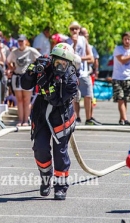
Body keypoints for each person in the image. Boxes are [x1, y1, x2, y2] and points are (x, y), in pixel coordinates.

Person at [21, 42, 80, 200]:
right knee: (40, 148)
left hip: (61, 115)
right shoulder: (44, 67)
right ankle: (46, 179)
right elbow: (25, 84)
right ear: (52, 59)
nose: (60, 66)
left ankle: (61, 186)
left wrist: (45, 87)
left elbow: (58, 100)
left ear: (69, 64)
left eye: (64, 63)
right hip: (41, 113)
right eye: (57, 61)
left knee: (60, 152)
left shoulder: (71, 80)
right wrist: (31, 71)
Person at [66, 21, 100, 125]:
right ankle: (76, 117)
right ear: (70, 30)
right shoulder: (67, 42)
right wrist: (74, 45)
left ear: (79, 30)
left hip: (84, 73)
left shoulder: (83, 40)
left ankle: (89, 118)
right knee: (74, 96)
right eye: (72, 29)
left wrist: (78, 58)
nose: (74, 31)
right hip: (71, 73)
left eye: (76, 28)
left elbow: (91, 57)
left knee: (88, 95)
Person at [6, 34, 41, 126]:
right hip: (17, 76)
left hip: (27, 77)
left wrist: (34, 69)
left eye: (22, 41)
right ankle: (20, 120)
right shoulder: (15, 52)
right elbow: (8, 61)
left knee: (26, 100)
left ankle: (26, 120)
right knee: (19, 100)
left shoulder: (31, 51)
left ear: (26, 41)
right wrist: (12, 68)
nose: (20, 43)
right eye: (19, 41)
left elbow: (40, 59)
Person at [80, 27, 99, 109]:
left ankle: (89, 116)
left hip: (88, 72)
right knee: (76, 96)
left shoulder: (91, 47)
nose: (84, 36)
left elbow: (94, 60)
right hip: (78, 73)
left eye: (86, 34)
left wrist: (96, 71)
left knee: (89, 94)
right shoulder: (74, 45)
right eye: (82, 34)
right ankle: (77, 117)